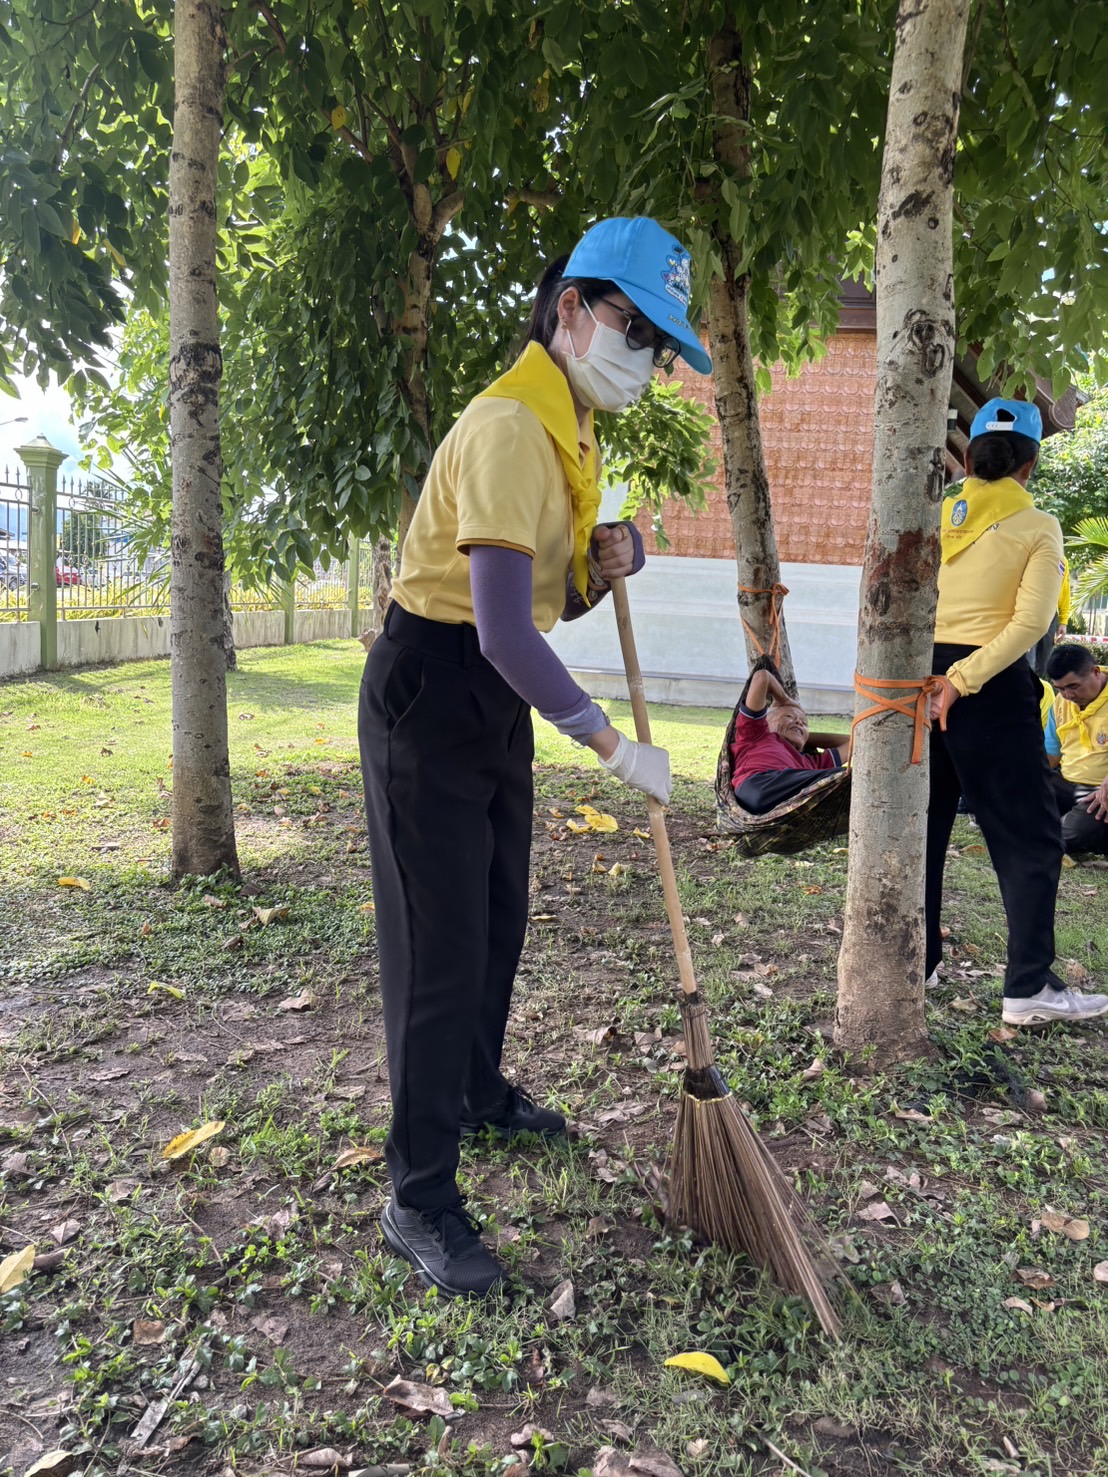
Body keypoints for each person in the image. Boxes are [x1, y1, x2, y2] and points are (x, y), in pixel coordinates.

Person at [358, 217, 713, 1297]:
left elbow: (550, 597)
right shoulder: (512, 423)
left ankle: (474, 1089)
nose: (646, 360)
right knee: (439, 949)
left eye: (660, 345)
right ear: (570, 307)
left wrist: (621, 555)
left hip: (491, 693)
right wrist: (614, 747)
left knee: (498, 913)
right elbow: (506, 632)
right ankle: (417, 1194)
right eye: (633, 329)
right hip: (435, 683)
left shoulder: (570, 420)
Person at [926, 398, 1108, 1026]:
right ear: (1029, 465)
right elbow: (1032, 623)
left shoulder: (932, 512)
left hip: (919, 685)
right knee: (1030, 837)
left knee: (923, 832)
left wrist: (938, 679)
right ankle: (1030, 988)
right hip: (987, 687)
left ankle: (917, 964)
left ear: (970, 453)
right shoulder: (1037, 524)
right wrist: (964, 680)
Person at [730, 659, 850, 814]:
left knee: (851, 778)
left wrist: (804, 735)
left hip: (794, 799)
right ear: (768, 722)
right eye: (789, 716)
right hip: (758, 787)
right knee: (845, 776)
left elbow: (858, 742)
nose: (799, 722)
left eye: (804, 723)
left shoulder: (814, 763)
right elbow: (762, 677)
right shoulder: (755, 735)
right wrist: (785, 700)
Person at [1044, 643, 1108, 857]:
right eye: (1060, 688)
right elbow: (1051, 755)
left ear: (1095, 672)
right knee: (1019, 803)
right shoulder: (1060, 704)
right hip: (1067, 782)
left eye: (1073, 686)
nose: (1068, 695)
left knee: (1069, 834)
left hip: (1101, 791)